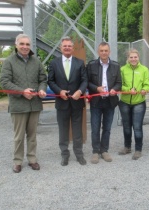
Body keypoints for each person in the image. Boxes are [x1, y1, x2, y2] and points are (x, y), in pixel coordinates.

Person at [0, 34, 47, 173]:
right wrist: (22, 91)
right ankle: (17, 161)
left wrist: (42, 89)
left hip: (35, 104)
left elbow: (43, 79)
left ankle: (32, 159)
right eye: (22, 44)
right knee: (19, 136)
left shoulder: (36, 61)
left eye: (27, 44)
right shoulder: (9, 61)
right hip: (18, 105)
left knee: (32, 135)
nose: (25, 47)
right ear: (16, 45)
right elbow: (4, 82)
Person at [48, 37, 87, 166]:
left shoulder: (80, 63)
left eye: (69, 46)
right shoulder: (54, 63)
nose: (67, 48)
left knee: (77, 130)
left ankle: (79, 154)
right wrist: (59, 91)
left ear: (72, 48)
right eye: (65, 46)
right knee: (63, 130)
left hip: (77, 102)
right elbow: (51, 81)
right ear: (61, 48)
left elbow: (84, 80)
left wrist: (80, 92)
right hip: (62, 102)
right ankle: (64, 154)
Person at [86, 42, 122, 164]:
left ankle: (104, 150)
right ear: (98, 52)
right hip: (96, 102)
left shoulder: (116, 66)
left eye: (106, 50)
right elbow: (87, 82)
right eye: (101, 50)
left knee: (107, 128)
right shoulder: (91, 65)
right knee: (95, 128)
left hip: (110, 102)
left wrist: (114, 89)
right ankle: (95, 151)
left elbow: (119, 82)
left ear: (109, 52)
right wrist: (96, 88)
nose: (104, 53)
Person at [118, 49, 149, 160]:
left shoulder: (144, 69)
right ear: (128, 58)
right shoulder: (122, 69)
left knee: (137, 127)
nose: (133, 59)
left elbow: (147, 84)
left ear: (138, 57)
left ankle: (138, 149)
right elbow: (119, 85)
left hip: (139, 102)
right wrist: (128, 89)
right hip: (125, 102)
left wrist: (144, 89)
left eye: (135, 57)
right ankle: (127, 147)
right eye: (131, 57)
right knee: (126, 127)